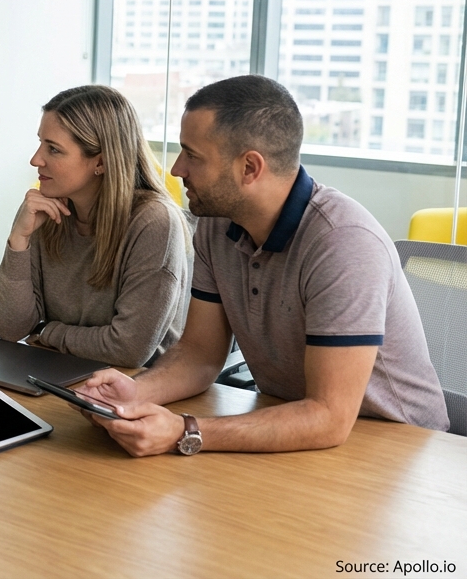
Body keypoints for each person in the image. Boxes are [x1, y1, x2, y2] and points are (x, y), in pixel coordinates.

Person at [77, 75, 450, 456]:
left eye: (193, 155)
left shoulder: (343, 242)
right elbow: (200, 355)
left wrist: (184, 431)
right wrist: (134, 393)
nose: (176, 169)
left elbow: (329, 416)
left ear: (250, 168)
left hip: (401, 450)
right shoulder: (216, 223)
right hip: (295, 430)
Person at [0, 85, 189, 368]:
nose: (36, 159)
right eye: (40, 143)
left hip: (134, 392)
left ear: (101, 162)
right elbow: (10, 329)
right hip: (55, 373)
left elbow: (129, 349)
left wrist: (48, 332)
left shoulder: (154, 222)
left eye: (54, 149)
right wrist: (19, 240)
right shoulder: (49, 208)